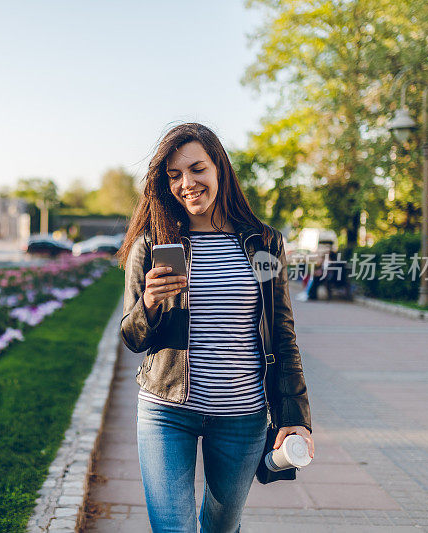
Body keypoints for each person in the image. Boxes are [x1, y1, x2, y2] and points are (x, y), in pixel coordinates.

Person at [117, 123, 313, 533]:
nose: (187, 183)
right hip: (166, 410)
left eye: (196, 169)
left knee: (221, 529)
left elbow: (282, 334)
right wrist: (150, 303)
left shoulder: (264, 243)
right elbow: (133, 338)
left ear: (219, 167)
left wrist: (296, 416)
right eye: (174, 176)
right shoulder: (151, 244)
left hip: (243, 417)